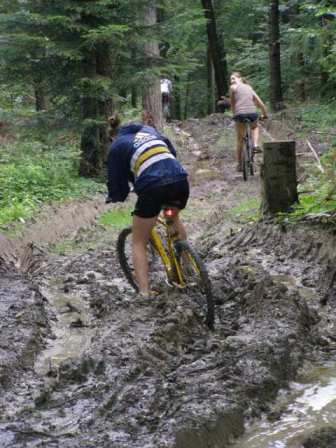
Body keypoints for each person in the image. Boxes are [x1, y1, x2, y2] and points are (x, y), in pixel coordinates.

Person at [106, 112, 189, 298]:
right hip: (179, 180)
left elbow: (116, 183)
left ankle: (144, 292)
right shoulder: (149, 130)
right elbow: (171, 153)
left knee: (138, 241)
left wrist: (116, 196)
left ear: (113, 136)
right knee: (171, 216)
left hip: (152, 187)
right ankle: (188, 267)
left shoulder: (117, 145)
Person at [229, 71, 268, 171]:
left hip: (239, 115)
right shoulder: (249, 88)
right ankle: (255, 145)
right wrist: (265, 115)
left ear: (240, 78)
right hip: (252, 113)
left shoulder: (233, 88)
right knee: (255, 127)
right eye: (231, 79)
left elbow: (232, 104)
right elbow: (260, 103)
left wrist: (234, 114)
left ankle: (239, 165)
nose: (232, 80)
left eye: (234, 78)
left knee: (239, 139)